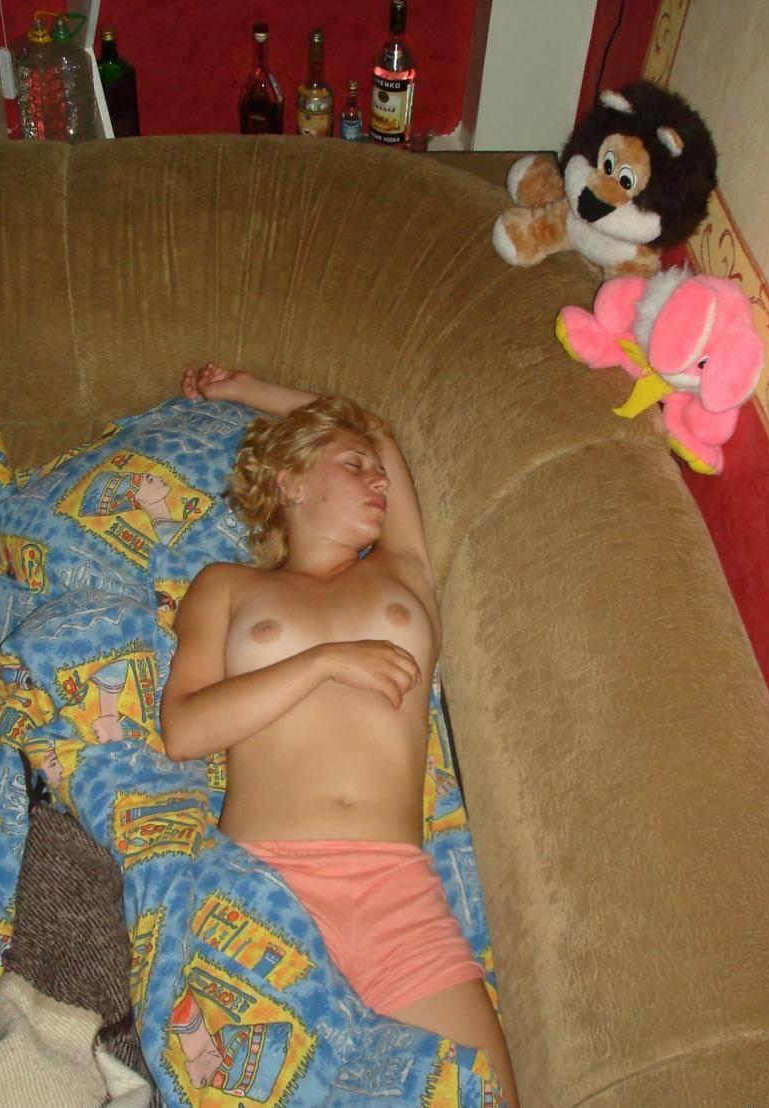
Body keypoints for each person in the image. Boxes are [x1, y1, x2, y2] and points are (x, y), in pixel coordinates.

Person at [161, 363, 520, 1107]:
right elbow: (185, 730)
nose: (378, 478)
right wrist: (324, 661)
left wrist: (246, 390)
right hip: (265, 888)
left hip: (395, 892)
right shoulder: (227, 586)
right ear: (292, 480)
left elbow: (378, 432)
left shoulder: (402, 568)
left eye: (375, 471)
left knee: (486, 1093)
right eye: (352, 465)